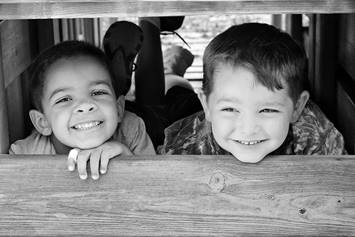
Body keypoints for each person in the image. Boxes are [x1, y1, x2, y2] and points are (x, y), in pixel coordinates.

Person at [158, 22, 346, 162]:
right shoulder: (184, 148)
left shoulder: (314, 132)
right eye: (230, 109)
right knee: (173, 87)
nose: (248, 129)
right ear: (206, 105)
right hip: (182, 107)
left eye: (267, 110)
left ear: (297, 107)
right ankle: (172, 66)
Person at [9, 40, 155, 179]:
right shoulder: (26, 155)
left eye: (98, 92)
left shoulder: (130, 130)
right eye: (64, 99)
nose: (85, 105)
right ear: (43, 122)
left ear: (118, 109)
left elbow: (158, 189)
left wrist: (127, 158)